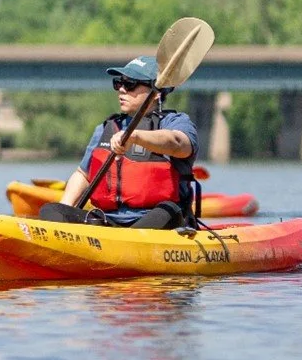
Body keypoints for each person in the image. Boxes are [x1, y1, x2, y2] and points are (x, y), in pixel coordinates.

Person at [39, 54, 198, 230]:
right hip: (109, 222)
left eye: (130, 84)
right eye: (118, 83)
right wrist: (65, 210)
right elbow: (83, 174)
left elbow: (179, 144)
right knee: (51, 211)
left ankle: (128, 242)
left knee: (167, 210)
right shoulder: (107, 127)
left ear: (156, 93)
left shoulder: (175, 122)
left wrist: (135, 137)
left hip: (159, 221)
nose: (121, 90)